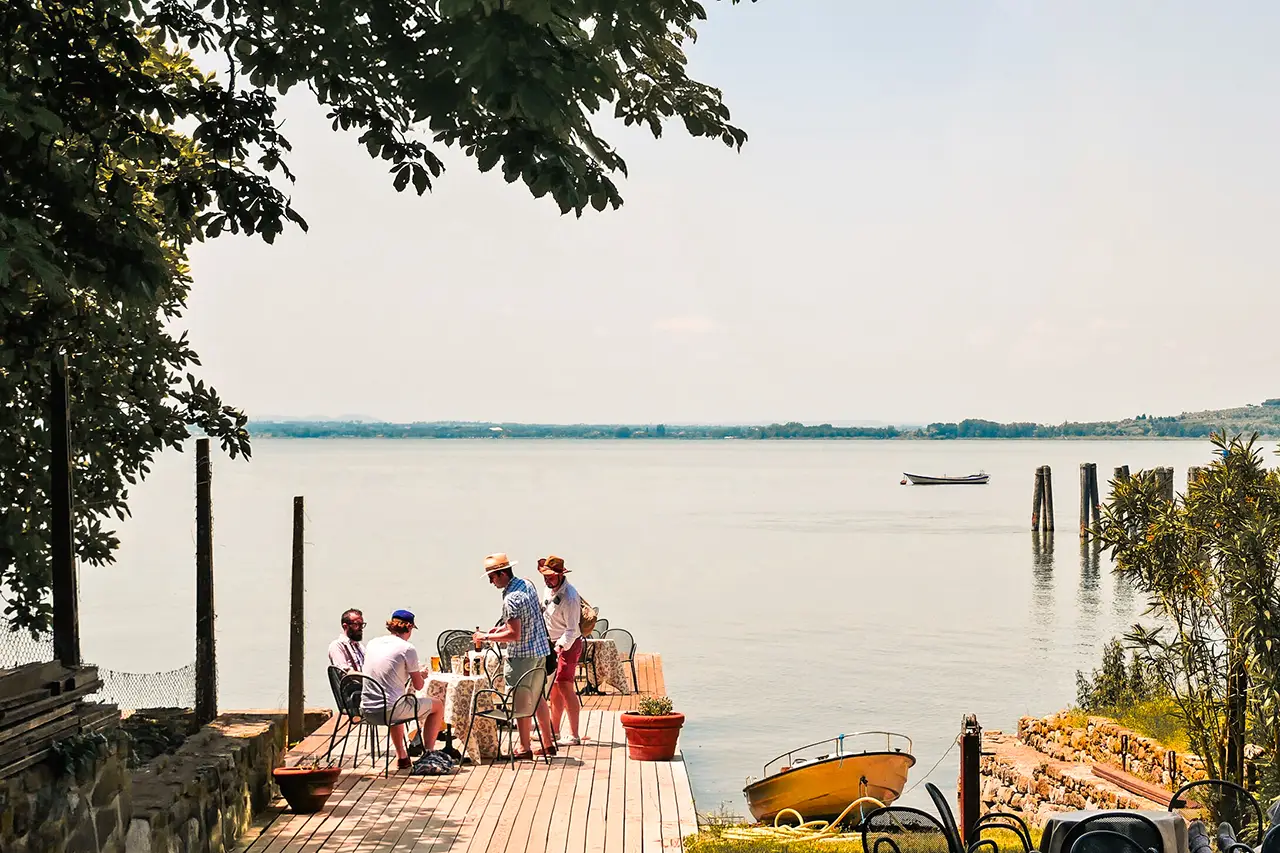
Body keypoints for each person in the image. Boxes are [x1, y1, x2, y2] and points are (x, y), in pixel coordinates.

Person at [473, 553, 556, 759]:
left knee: (520, 702)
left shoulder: (510, 598)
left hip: (521, 656)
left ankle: (524, 748)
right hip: (540, 651)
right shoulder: (527, 584)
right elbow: (525, 621)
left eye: (492, 577)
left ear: (502, 574)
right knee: (538, 698)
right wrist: (499, 629)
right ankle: (548, 743)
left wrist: (485, 637)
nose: (491, 582)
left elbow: (514, 634)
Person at [361, 609, 448, 770]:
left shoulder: (373, 643)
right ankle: (428, 754)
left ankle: (402, 756)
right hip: (389, 711)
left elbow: (386, 672)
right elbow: (419, 686)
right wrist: (421, 674)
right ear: (409, 628)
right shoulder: (407, 648)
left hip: (367, 710)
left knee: (396, 699)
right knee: (437, 706)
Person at [538, 555, 584, 746]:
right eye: (545, 576)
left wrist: (560, 647)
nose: (547, 580)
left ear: (560, 575)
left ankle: (574, 734)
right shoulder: (547, 590)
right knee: (554, 688)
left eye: (551, 577)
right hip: (551, 642)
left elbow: (572, 630)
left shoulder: (571, 597)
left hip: (568, 644)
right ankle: (554, 731)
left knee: (565, 685)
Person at [327, 608, 366, 672]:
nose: (360, 628)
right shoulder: (337, 645)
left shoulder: (360, 647)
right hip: (351, 681)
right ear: (345, 626)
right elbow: (344, 672)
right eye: (356, 624)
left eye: (361, 625)